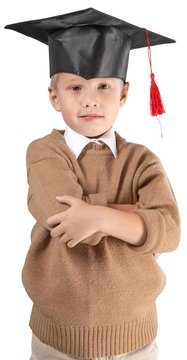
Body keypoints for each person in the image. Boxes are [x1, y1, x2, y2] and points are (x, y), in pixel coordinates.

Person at [5, 8, 180, 360]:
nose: (90, 98)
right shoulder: (45, 152)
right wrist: (137, 219)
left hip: (136, 338)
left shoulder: (141, 161)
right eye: (74, 87)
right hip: (57, 339)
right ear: (55, 97)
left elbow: (170, 232)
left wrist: (97, 214)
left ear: (124, 94)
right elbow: (68, 219)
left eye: (104, 86)